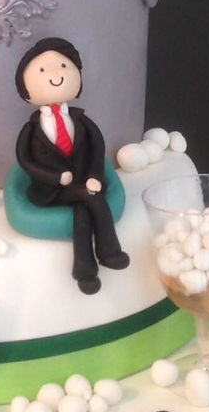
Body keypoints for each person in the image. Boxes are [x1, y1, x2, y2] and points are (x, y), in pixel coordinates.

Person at [15, 37, 129, 294]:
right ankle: (110, 252)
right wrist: (55, 177)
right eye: (42, 70)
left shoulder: (83, 122)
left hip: (81, 183)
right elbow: (25, 161)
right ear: (25, 88)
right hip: (51, 190)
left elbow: (97, 149)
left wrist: (95, 175)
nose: (56, 74)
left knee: (82, 212)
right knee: (92, 198)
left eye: (64, 66)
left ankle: (85, 272)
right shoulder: (31, 130)